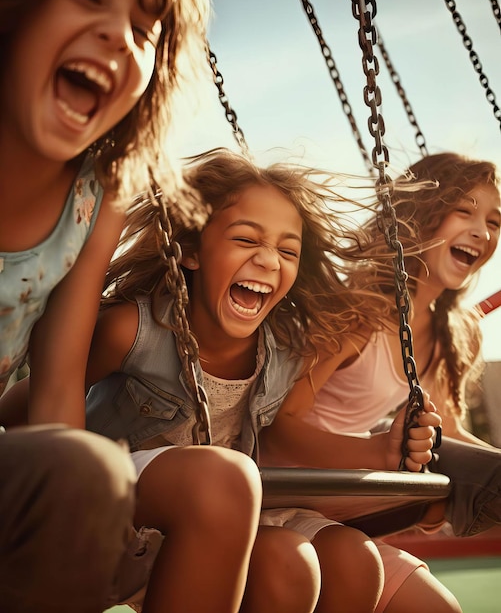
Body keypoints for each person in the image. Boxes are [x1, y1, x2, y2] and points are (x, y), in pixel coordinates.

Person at [85, 148, 441, 613]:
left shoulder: (285, 352)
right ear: (190, 251)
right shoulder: (132, 331)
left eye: (287, 250)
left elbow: (281, 435)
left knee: (341, 560)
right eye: (247, 240)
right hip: (119, 501)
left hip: (225, 513)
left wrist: (382, 450)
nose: (270, 261)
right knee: (223, 478)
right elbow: (35, 403)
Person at [0, 0, 227, 612]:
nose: (118, 35)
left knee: (83, 476)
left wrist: (77, 511)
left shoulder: (94, 198)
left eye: (145, 25)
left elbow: (56, 392)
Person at [260, 152, 501, 611]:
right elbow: (276, 422)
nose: (482, 232)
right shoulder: (361, 308)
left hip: (348, 501)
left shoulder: (450, 333)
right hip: (286, 487)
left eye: (493, 221)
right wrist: (375, 455)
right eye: (464, 210)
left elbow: (447, 433)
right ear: (418, 215)